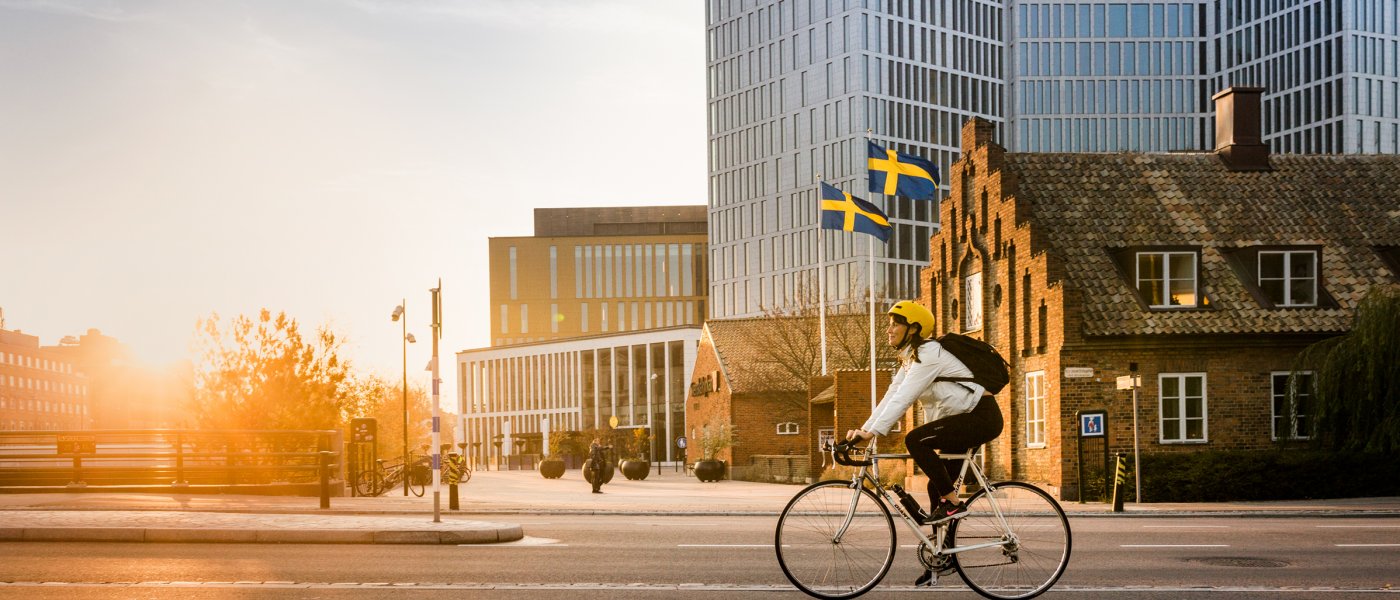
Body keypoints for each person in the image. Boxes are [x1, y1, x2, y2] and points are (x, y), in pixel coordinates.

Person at [845, 300, 1004, 525]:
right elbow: (892, 394)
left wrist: (872, 434)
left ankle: (953, 505)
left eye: (895, 325)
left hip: (980, 417)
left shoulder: (929, 354)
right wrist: (865, 429)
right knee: (936, 486)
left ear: (914, 329)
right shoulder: (911, 358)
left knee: (916, 440)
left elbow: (904, 398)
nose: (888, 330)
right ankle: (943, 554)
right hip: (964, 418)